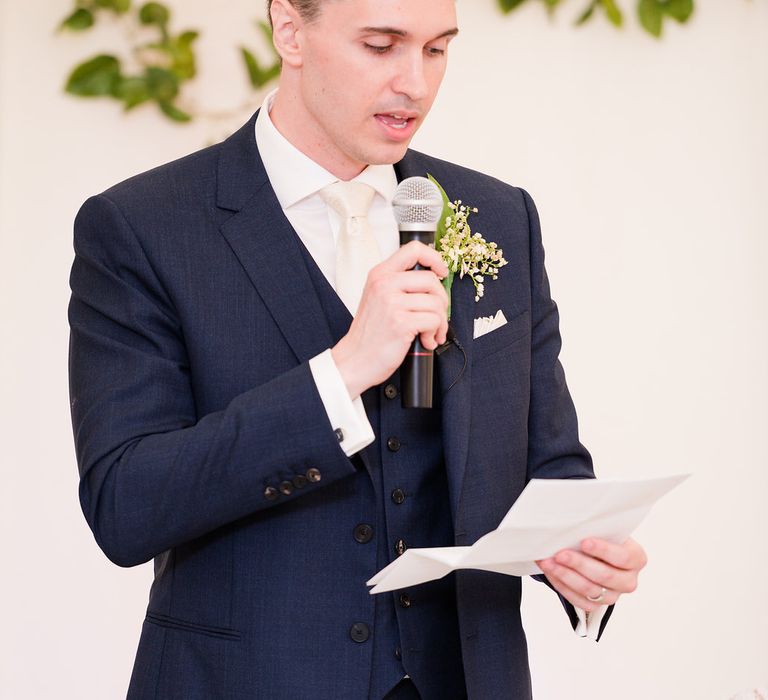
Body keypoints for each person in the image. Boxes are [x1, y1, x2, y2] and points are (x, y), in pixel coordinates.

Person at [68, 1, 647, 698]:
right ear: (290, 30)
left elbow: (549, 462)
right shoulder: (143, 227)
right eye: (381, 45)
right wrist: (340, 374)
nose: (416, 83)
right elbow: (126, 506)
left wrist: (586, 555)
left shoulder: (496, 215)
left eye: (437, 50)